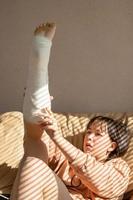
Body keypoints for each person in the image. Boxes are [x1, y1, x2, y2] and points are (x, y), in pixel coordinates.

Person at [10, 22, 130, 200]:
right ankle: (38, 76)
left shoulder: (119, 168)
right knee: (35, 156)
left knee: (36, 164)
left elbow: (102, 183)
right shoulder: (63, 158)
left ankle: (38, 78)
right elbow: (35, 142)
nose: (88, 137)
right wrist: (39, 107)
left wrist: (58, 137)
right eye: (88, 132)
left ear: (112, 146)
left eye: (97, 134)